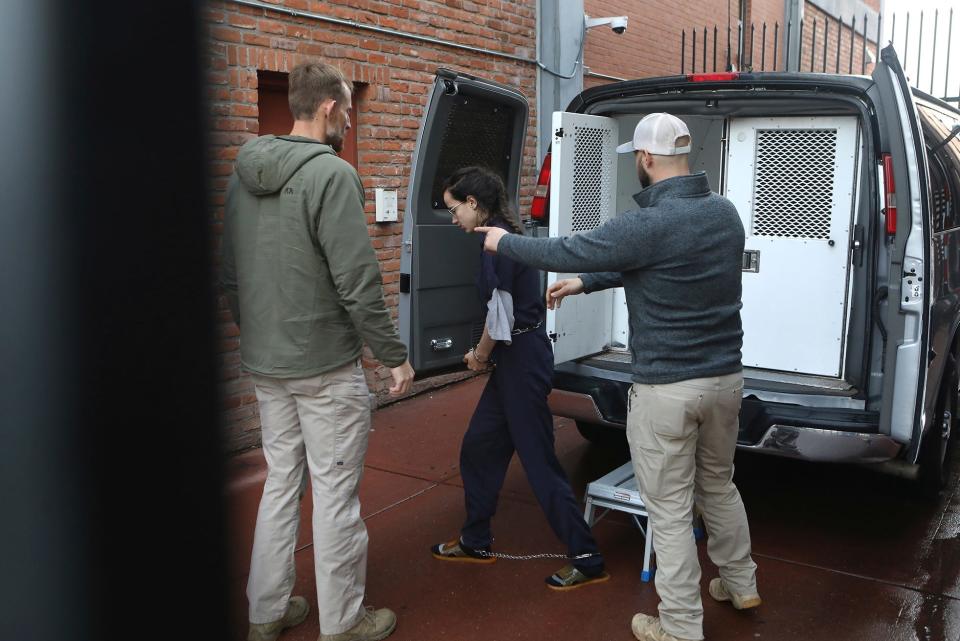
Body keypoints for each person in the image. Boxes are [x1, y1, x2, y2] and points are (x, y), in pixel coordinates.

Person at [475, 113, 760, 641]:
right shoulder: (724, 214)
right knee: (719, 486)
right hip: (724, 382)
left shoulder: (645, 223)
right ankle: (741, 584)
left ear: (646, 159)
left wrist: (503, 242)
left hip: (667, 390)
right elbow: (650, 263)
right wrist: (584, 283)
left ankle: (679, 626)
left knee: (670, 511)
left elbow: (567, 249)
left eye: (636, 157)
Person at [221, 61, 414, 641]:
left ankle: (266, 612)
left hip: (266, 362)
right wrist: (393, 354)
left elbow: (230, 274)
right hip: (326, 367)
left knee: (281, 483)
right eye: (349, 110)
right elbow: (357, 280)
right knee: (334, 494)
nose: (350, 120)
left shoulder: (242, 173)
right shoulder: (333, 175)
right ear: (329, 106)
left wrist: (256, 334)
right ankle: (344, 621)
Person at [429, 166, 608, 590]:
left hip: (521, 358)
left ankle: (587, 557)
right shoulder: (496, 238)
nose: (452, 217)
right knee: (479, 446)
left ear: (474, 204)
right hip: (515, 359)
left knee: (539, 461)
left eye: (454, 208)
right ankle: (475, 539)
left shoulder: (501, 245)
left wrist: (478, 354)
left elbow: (501, 316)